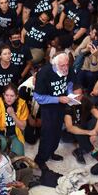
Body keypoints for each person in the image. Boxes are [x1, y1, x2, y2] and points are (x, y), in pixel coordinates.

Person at [33, 52, 74, 180]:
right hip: (49, 108)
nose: (65, 68)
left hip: (62, 105)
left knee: (57, 131)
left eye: (67, 64)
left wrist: (70, 95)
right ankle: (40, 159)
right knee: (47, 133)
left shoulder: (68, 69)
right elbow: (38, 97)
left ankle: (51, 152)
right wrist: (58, 99)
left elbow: (70, 83)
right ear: (54, 64)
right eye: (62, 65)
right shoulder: (44, 73)